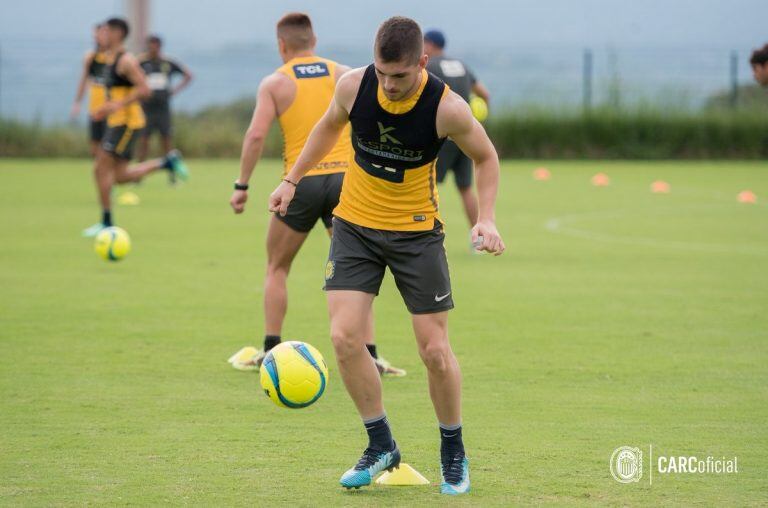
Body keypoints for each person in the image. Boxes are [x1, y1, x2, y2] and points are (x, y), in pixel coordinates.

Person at [268, 16, 505, 495]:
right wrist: (291, 180)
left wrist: (487, 217)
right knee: (344, 337)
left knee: (434, 351)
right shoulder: (353, 86)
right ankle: (381, 445)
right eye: (383, 73)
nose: (390, 86)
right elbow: (324, 129)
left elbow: (486, 156)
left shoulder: (447, 108)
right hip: (354, 226)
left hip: (417, 235)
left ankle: (452, 449)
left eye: (400, 75)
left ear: (422, 62)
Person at [228, 13, 405, 377]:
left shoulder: (275, 82)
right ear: (314, 40)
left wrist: (242, 186)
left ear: (282, 45)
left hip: (301, 183)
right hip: (347, 182)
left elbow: (256, 136)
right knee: (359, 269)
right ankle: (371, 356)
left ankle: (271, 349)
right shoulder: (344, 73)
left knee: (277, 266)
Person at [82, 17, 189, 237]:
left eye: (106, 31)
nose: (102, 34)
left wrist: (116, 105)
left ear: (118, 33)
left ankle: (106, 222)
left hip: (127, 123)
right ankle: (165, 163)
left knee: (100, 166)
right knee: (120, 176)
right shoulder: (110, 59)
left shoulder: (126, 60)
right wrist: (107, 108)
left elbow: (145, 89)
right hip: (117, 122)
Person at [424, 29, 491, 232]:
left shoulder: (430, 65)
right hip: (465, 134)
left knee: (425, 184)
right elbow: (484, 94)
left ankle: (423, 232)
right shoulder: (461, 65)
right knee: (465, 188)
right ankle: (479, 237)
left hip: (442, 137)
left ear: (430, 45)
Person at [137, 35, 193, 165]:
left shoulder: (168, 62)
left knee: (167, 140)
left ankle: (173, 173)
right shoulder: (140, 62)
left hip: (163, 107)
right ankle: (138, 174)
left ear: (160, 47)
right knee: (144, 141)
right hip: (146, 107)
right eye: (150, 46)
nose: (153, 49)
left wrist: (174, 90)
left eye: (155, 46)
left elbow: (188, 75)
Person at [70, 23, 110, 156]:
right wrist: (77, 103)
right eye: (96, 35)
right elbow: (83, 81)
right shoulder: (90, 57)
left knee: (109, 150)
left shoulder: (117, 57)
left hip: (112, 110)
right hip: (95, 108)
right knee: (95, 149)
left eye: (102, 34)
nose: (98, 37)